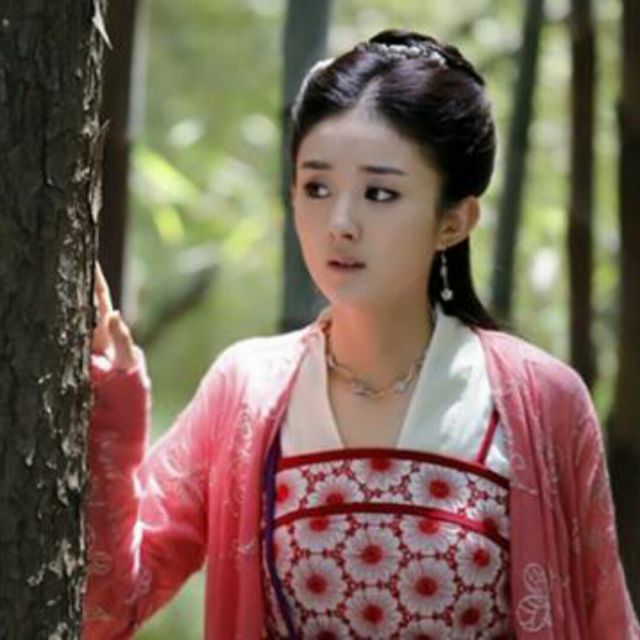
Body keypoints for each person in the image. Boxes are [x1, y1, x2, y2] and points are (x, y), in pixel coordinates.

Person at [83, 28, 639, 640]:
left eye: (380, 193)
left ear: (455, 221)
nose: (340, 223)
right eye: (317, 188)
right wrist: (112, 407)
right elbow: (108, 606)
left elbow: (606, 623)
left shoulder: (543, 401)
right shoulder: (246, 390)